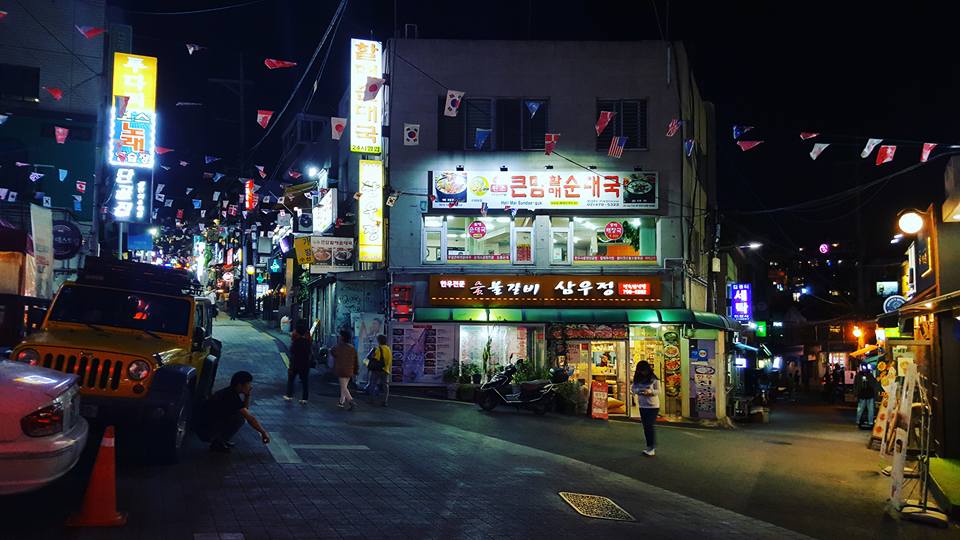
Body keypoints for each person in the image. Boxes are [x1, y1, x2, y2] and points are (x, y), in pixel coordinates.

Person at [203, 371, 270, 452]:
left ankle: (221, 440)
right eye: (248, 383)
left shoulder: (230, 392)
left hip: (208, 424)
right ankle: (218, 442)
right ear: (240, 385)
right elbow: (249, 417)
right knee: (239, 418)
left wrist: (247, 395)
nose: (250, 386)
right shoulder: (231, 396)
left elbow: (245, 409)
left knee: (240, 416)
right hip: (207, 428)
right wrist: (263, 432)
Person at [631, 360, 660, 457]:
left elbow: (658, 391)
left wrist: (650, 392)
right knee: (646, 427)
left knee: (649, 426)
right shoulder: (637, 378)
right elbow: (633, 388)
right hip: (642, 405)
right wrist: (639, 391)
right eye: (640, 370)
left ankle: (651, 447)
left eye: (643, 370)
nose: (642, 372)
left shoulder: (654, 379)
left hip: (653, 406)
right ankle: (650, 447)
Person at [285, 319, 312, 404]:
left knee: (291, 379)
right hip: (305, 363)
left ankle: (289, 395)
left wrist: (291, 365)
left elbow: (292, 352)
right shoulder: (308, 341)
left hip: (296, 363)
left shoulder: (296, 342)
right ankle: (305, 398)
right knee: (305, 381)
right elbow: (309, 352)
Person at [332, 329, 359, 410]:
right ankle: (341, 401)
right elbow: (356, 360)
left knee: (344, 387)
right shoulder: (352, 348)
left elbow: (333, 352)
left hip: (341, 369)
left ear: (342, 337)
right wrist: (356, 370)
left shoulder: (339, 347)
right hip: (350, 369)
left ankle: (351, 401)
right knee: (344, 386)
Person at [366, 334, 392, 406]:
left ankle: (371, 399)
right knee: (385, 386)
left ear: (379, 341)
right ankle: (385, 401)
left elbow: (372, 358)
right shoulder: (388, 349)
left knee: (373, 384)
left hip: (377, 370)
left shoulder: (378, 349)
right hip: (385, 370)